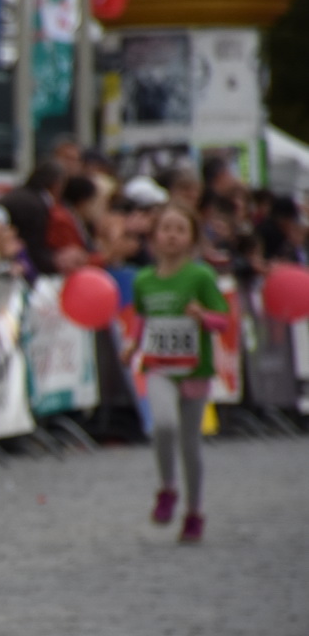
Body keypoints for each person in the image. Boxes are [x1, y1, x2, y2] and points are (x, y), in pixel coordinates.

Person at [128, 206, 230, 543]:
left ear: (191, 239)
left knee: (190, 445)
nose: (172, 235)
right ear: (154, 236)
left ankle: (195, 511)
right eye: (165, 228)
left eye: (180, 229)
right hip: (158, 367)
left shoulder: (200, 277)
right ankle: (168, 488)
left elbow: (223, 321)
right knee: (164, 425)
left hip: (194, 370)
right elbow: (144, 317)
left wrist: (203, 316)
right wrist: (132, 344)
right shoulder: (144, 279)